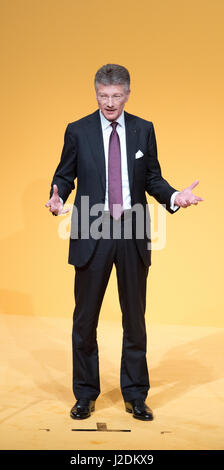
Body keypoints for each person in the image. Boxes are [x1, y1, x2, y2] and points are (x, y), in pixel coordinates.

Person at [45, 64, 203, 421]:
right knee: (85, 321)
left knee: (135, 319)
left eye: (117, 96)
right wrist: (57, 199)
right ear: (96, 92)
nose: (110, 103)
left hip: (132, 233)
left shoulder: (143, 129)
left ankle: (135, 395)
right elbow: (63, 175)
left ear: (128, 93)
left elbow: (153, 179)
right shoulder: (78, 130)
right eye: (103, 96)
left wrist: (176, 197)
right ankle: (85, 394)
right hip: (91, 231)